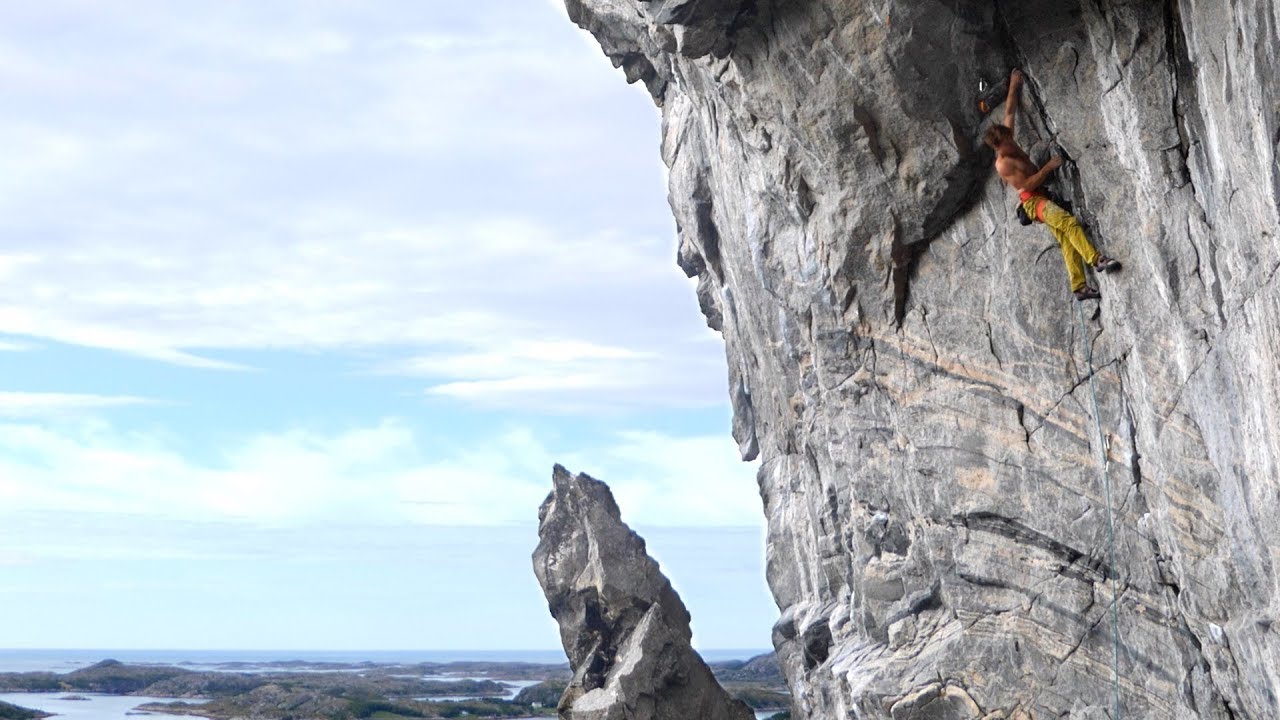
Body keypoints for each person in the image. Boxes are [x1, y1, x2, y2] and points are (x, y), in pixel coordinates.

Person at [984, 69, 1120, 301]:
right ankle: (1097, 260)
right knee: (1068, 222)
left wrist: (1014, 86)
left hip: (1041, 197)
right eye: (1007, 141)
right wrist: (1049, 167)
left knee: (1067, 239)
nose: (1012, 140)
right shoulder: (1003, 164)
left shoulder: (1006, 138)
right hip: (1033, 202)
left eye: (1009, 136)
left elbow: (1009, 111)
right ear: (998, 146)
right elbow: (1026, 184)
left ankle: (1079, 287)